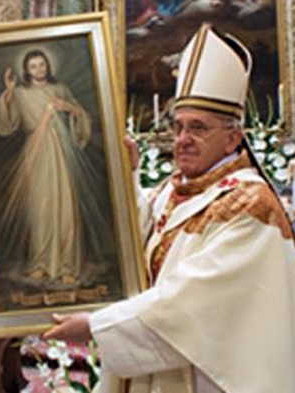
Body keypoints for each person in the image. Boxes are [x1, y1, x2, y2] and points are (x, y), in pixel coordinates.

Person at [43, 24, 295, 392]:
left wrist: (96, 326)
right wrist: (125, 175)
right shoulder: (175, 189)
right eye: (177, 127)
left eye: (197, 128)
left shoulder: (249, 205)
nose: (182, 141)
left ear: (232, 139)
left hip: (205, 377)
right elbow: (138, 240)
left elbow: (193, 304)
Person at [0, 49, 92, 285]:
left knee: (64, 206)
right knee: (39, 208)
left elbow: (82, 117)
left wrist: (69, 108)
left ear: (48, 66)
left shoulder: (60, 89)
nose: (39, 70)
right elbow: (1, 119)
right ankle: (40, 262)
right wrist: (10, 90)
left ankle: (66, 264)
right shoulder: (21, 94)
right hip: (35, 151)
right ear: (26, 70)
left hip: (61, 154)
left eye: (42, 65)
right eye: (33, 66)